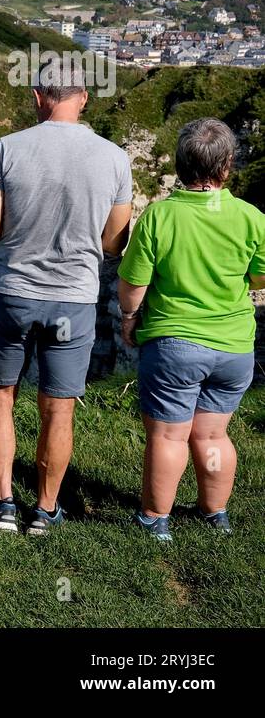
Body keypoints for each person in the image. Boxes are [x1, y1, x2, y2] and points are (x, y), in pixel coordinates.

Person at [0, 60, 133, 534]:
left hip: (13, 293)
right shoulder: (114, 158)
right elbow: (113, 243)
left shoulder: (9, 148)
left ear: (38, 98)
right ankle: (44, 510)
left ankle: (1, 502)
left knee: (0, 395)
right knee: (59, 406)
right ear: (83, 98)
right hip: (74, 300)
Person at [118, 117, 265, 541]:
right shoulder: (250, 217)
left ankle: (154, 517)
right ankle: (215, 512)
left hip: (175, 344)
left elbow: (133, 285)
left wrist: (130, 319)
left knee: (168, 434)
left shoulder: (160, 217)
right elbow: (260, 277)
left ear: (182, 165)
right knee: (214, 433)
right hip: (234, 346)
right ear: (228, 165)